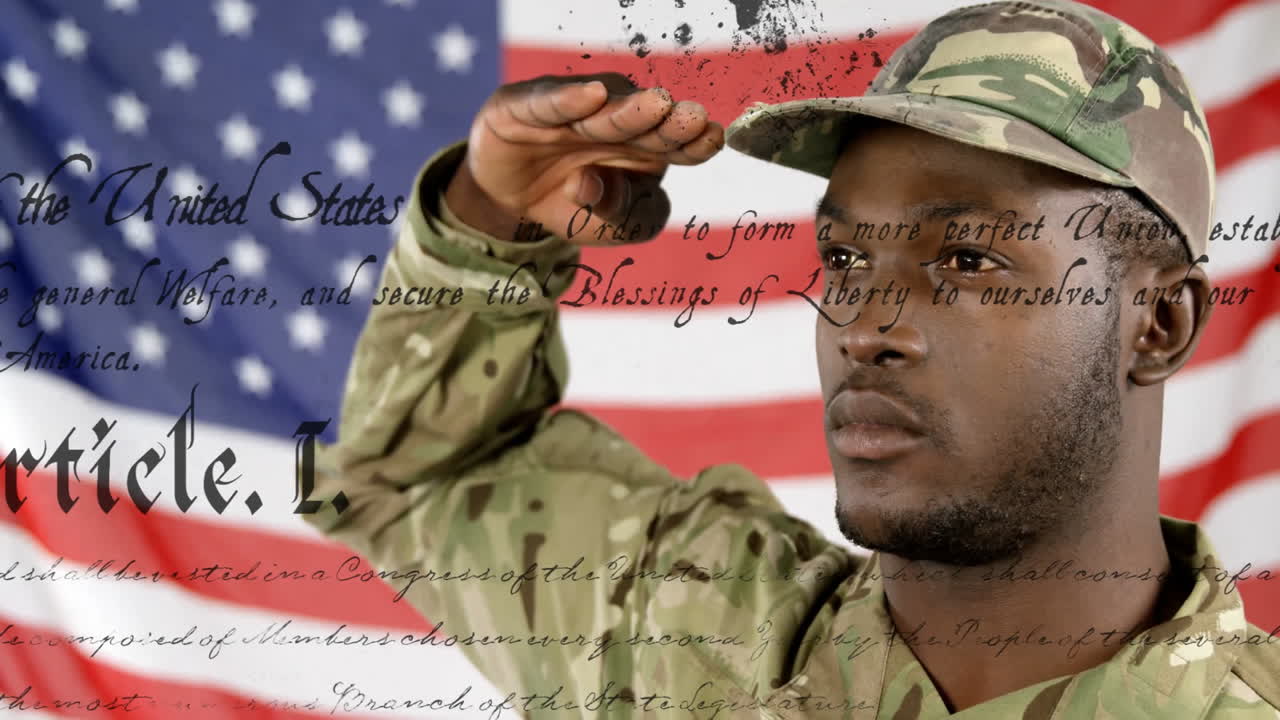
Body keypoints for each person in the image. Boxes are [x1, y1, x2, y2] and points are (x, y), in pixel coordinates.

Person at [304, 0, 1280, 716]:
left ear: (1153, 324)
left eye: (967, 258)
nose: (864, 324)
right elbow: (420, 477)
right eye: (845, 257)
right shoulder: (692, 636)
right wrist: (489, 222)